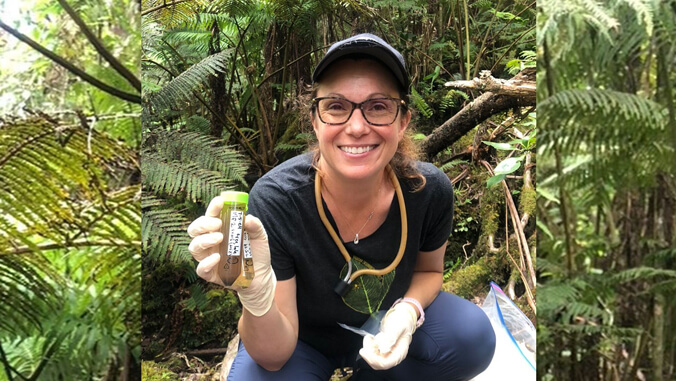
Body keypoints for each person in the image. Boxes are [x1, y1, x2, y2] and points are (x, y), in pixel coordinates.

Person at [187, 33, 496, 380]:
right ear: (315, 120)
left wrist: (407, 313)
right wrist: (256, 297)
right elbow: (273, 357)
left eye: (378, 107)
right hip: (301, 342)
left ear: (403, 121)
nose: (357, 127)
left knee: (472, 337)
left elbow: (429, 273)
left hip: (385, 328)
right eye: (336, 106)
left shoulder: (427, 190)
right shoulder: (277, 199)